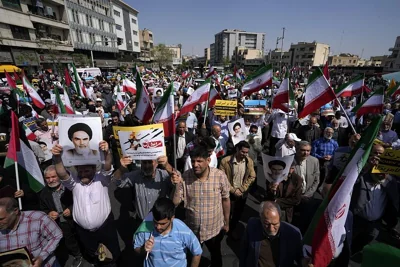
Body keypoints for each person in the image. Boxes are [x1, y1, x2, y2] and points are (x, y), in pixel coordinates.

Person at [52, 141, 121, 266]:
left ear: (94, 169)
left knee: (112, 257)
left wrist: (106, 152)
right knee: (95, 257)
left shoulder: (102, 180)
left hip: (105, 228)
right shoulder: (74, 183)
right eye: (81, 171)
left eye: (87, 171)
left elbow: (107, 166)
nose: (83, 174)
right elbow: (62, 173)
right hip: (84, 232)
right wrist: (57, 157)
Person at [172, 146, 231, 267]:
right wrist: (177, 185)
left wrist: (227, 222)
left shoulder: (220, 176)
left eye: (199, 161)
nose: (195, 164)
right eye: (193, 161)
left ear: (208, 160)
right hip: (192, 230)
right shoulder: (186, 176)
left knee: (215, 254)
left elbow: (225, 199)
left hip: (214, 229)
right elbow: (175, 203)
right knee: (192, 257)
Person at [134, 197, 203, 267]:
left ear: (172, 218)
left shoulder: (183, 230)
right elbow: (136, 248)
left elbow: (197, 253)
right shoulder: (146, 225)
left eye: (162, 224)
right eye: (155, 222)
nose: (158, 227)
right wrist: (143, 249)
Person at [39, 165, 82, 267]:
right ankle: (78, 255)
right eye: (48, 178)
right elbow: (43, 209)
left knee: (82, 235)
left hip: (77, 218)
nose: (51, 180)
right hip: (61, 222)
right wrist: (49, 213)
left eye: (53, 177)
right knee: (69, 239)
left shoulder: (69, 187)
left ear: (59, 175)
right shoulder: (44, 193)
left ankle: (90, 253)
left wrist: (71, 209)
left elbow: (81, 200)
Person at [0, 197, 63, 267]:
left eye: (1, 219)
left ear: (15, 211)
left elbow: (57, 235)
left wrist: (41, 257)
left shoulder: (38, 219)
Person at [112, 155, 174, 224]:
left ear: (157, 163)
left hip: (161, 223)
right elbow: (116, 181)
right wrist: (121, 169)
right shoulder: (136, 175)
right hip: (141, 223)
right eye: (144, 162)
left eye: (150, 162)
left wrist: (167, 165)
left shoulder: (163, 175)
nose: (147, 166)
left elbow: (179, 181)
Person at [239, 201, 303, 267]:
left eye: (275, 224)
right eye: (266, 224)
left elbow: (300, 257)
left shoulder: (294, 233)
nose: (271, 229)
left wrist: (304, 262)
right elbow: (244, 250)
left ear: (280, 219)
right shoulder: (252, 225)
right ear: (260, 218)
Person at [219, 141, 256, 239]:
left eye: (246, 152)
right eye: (243, 152)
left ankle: (232, 230)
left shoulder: (249, 161)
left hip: (242, 194)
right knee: (226, 213)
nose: (244, 154)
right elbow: (222, 179)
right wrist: (233, 190)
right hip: (229, 193)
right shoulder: (225, 161)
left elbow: (252, 176)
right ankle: (223, 229)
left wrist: (242, 189)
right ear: (237, 149)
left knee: (237, 213)